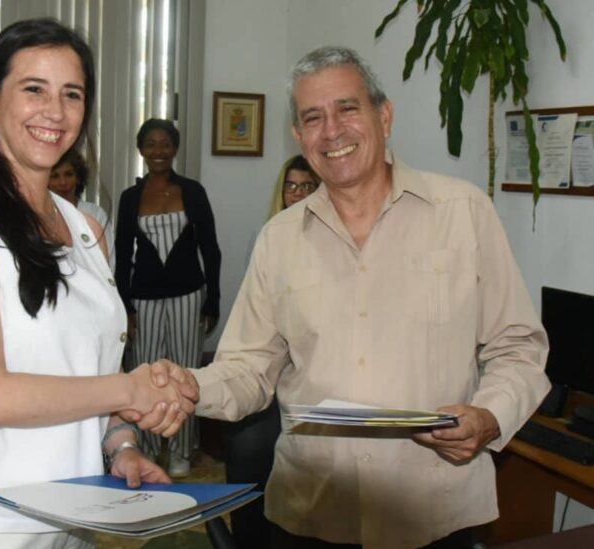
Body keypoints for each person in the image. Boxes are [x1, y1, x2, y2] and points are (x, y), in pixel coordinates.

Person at [169, 46, 551, 548]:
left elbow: (519, 347)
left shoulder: (463, 214)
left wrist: (490, 416)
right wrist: (188, 386)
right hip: (311, 514)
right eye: (313, 117)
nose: (332, 130)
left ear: (384, 115)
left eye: (347, 108)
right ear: (299, 136)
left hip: (433, 515)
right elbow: (248, 367)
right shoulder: (278, 239)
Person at [0, 19, 197, 549]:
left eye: (72, 94)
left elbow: (91, 372)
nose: (55, 113)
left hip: (72, 516)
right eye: (33, 89)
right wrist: (131, 390)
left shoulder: (85, 228)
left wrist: (121, 444)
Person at [115, 118, 221, 477]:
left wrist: (213, 301)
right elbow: (122, 256)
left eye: (165, 144)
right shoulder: (130, 198)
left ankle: (181, 449)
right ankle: (143, 447)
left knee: (185, 374)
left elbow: (211, 250)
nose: (158, 151)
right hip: (142, 299)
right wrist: (124, 306)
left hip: (188, 295)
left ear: (175, 148)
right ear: (141, 150)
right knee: (144, 374)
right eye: (150, 144)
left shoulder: (193, 191)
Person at [226, 153, 320, 549]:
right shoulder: (268, 236)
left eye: (307, 186)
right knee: (249, 452)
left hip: (311, 377)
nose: (297, 194)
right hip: (270, 368)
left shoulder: (330, 239)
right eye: (291, 186)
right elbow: (256, 317)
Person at [48, 147, 115, 270]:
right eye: (55, 176)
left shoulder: (95, 214)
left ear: (78, 177)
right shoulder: (41, 216)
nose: (63, 182)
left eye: (68, 174)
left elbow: (109, 261)